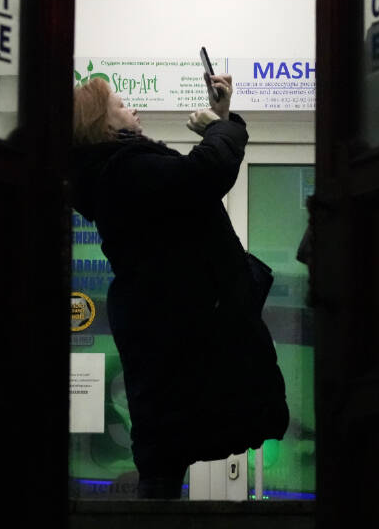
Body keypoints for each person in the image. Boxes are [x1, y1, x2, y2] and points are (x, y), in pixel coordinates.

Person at [70, 74, 289, 499]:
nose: (133, 108)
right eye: (120, 103)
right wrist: (222, 128)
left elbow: (182, 186)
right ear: (105, 125)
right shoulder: (122, 171)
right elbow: (205, 173)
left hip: (166, 323)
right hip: (175, 324)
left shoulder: (119, 174)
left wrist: (219, 119)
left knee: (167, 439)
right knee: (169, 443)